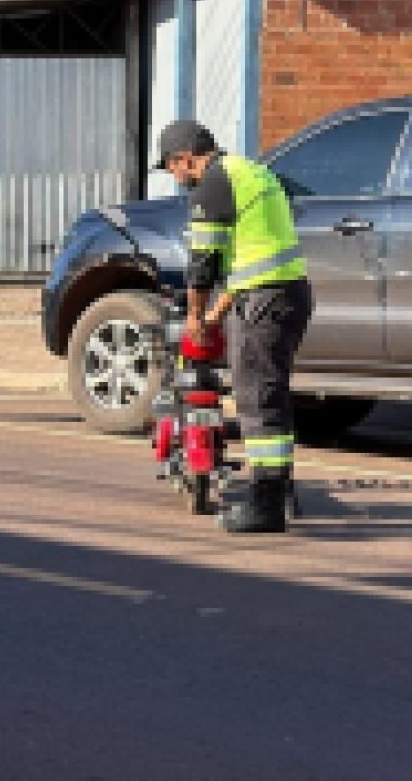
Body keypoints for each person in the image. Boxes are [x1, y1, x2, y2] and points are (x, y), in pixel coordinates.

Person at [156, 119, 313, 532]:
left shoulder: (212, 184)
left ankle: (266, 507)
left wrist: (195, 318)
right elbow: (247, 262)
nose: (177, 179)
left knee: (258, 400)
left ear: (185, 159)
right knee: (270, 394)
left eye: (173, 170)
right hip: (288, 294)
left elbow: (203, 265)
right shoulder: (252, 172)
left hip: (265, 302)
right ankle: (281, 492)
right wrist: (216, 315)